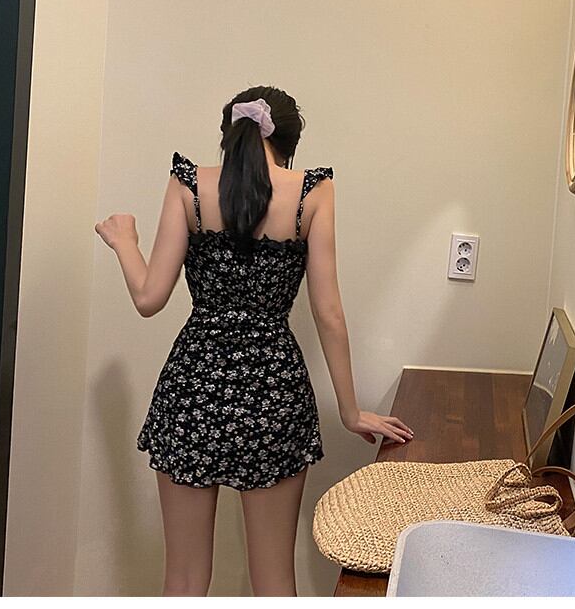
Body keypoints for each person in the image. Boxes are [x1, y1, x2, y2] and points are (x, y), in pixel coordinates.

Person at [94, 86, 413, 597]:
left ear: (229, 136)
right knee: (274, 581)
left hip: (193, 390)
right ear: (288, 145)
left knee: (183, 581)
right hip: (273, 393)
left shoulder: (187, 185)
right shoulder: (312, 192)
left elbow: (149, 297)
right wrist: (351, 412)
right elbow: (328, 314)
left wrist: (125, 241)